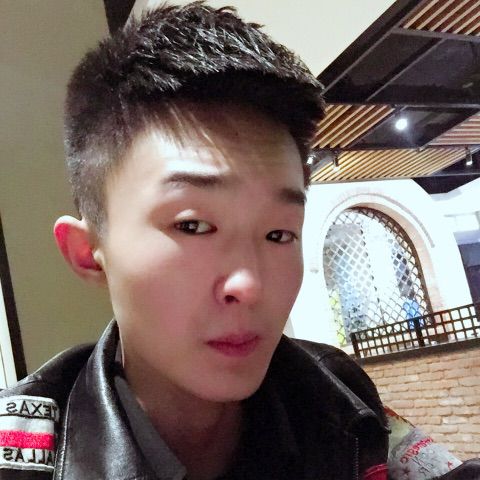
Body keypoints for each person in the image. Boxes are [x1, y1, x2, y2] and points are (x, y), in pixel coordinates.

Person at [0, 3, 477, 480]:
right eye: (192, 226)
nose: (249, 285)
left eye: (278, 234)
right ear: (88, 253)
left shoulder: (338, 398)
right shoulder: (18, 455)